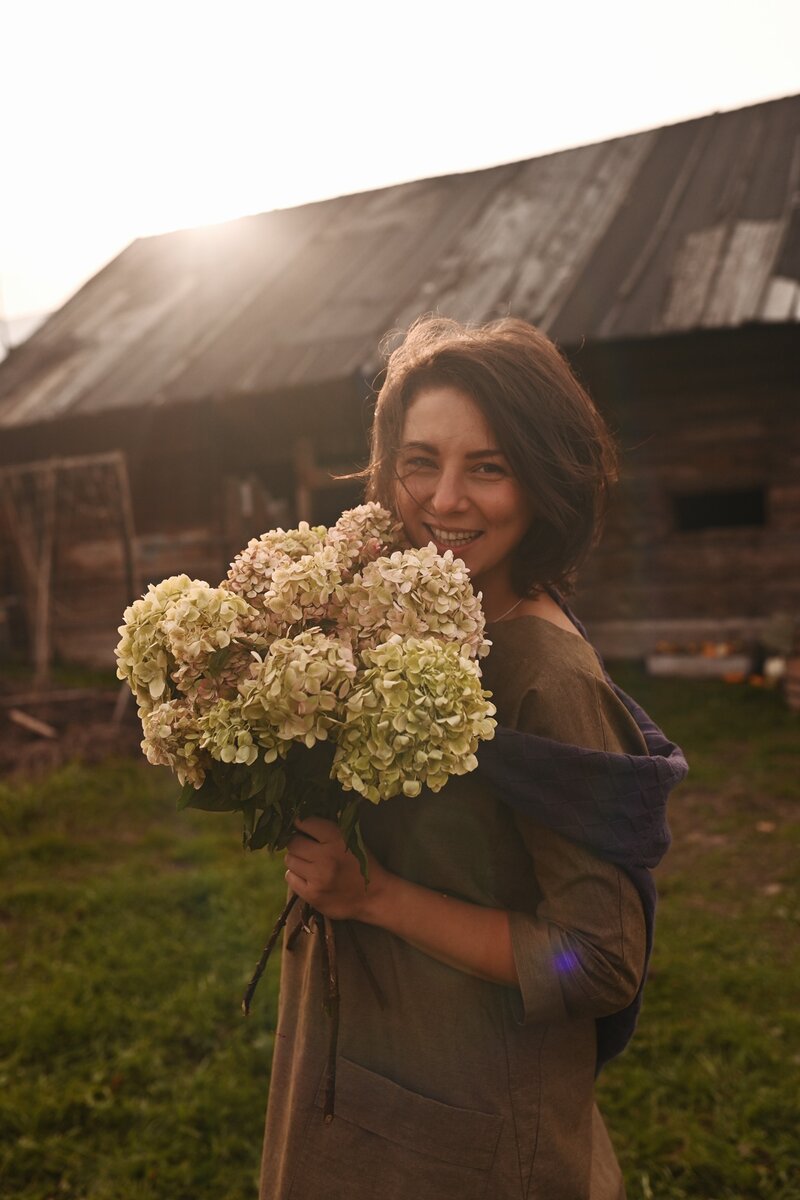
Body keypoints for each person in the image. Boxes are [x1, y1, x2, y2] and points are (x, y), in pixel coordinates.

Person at [259, 316, 659, 1200]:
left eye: (489, 465)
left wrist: (375, 897)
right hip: (361, 1064)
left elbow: (597, 959)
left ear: (544, 479)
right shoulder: (394, 618)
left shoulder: (547, 677)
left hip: (468, 1116)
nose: (444, 500)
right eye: (419, 462)